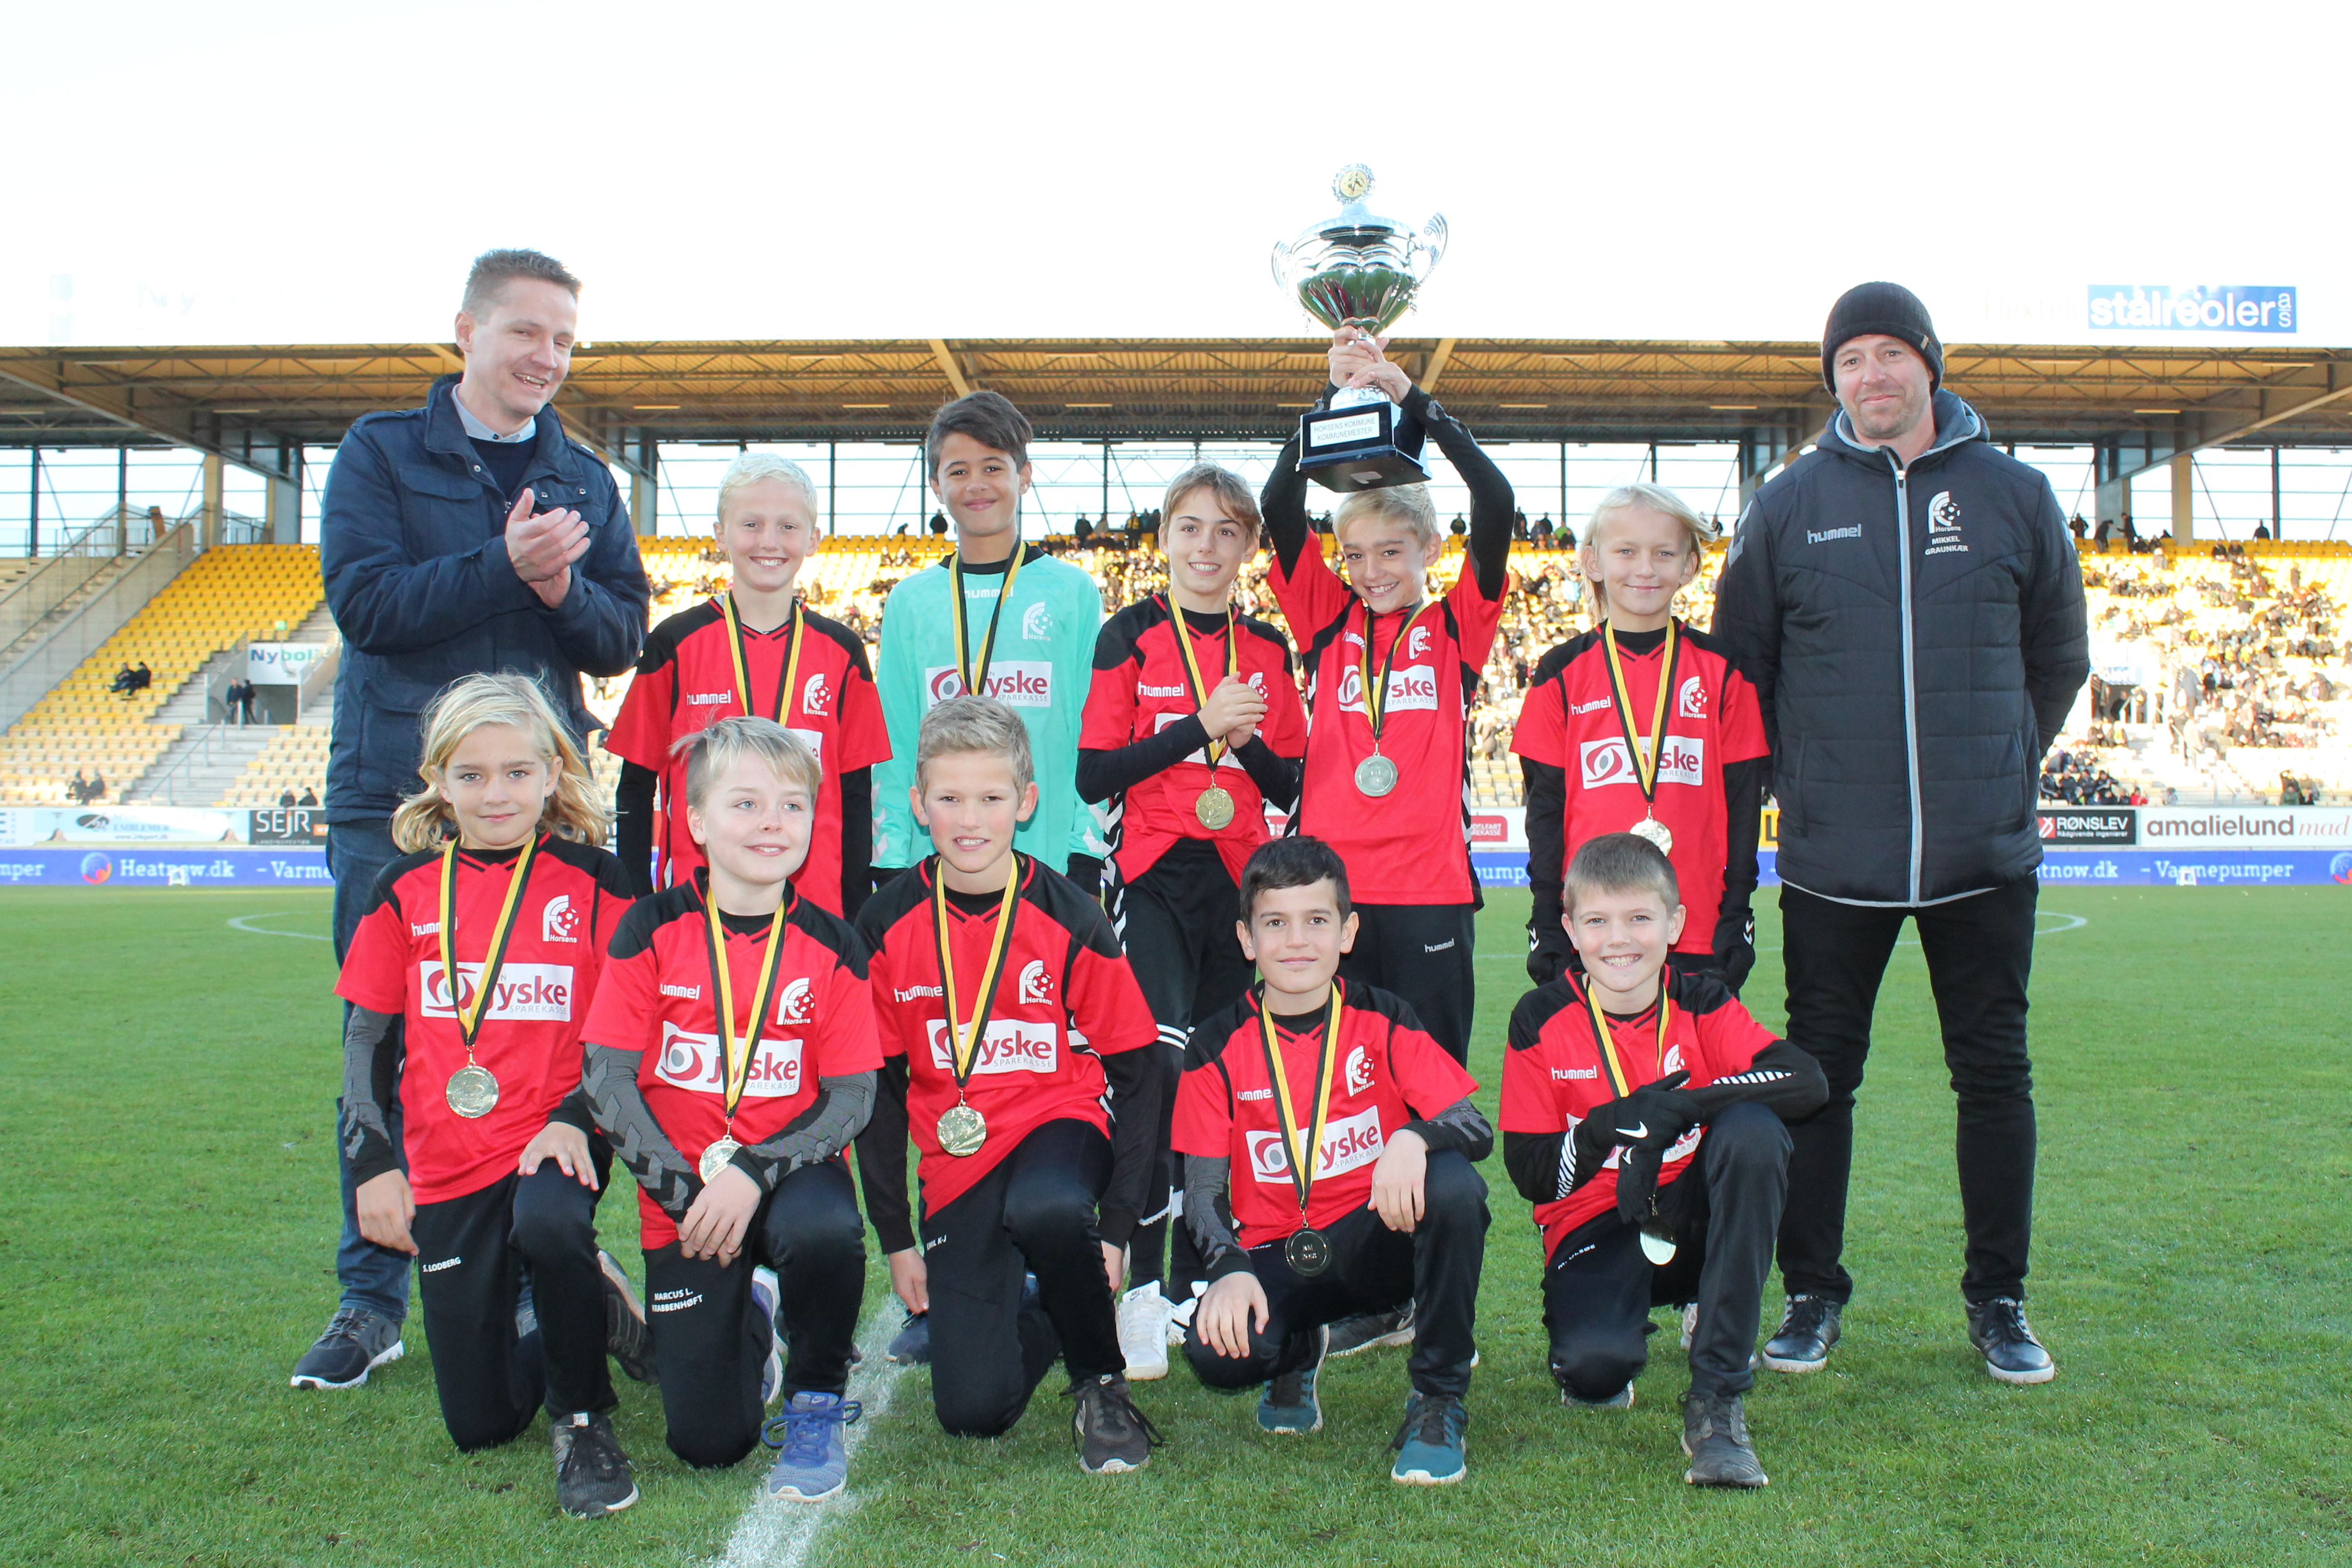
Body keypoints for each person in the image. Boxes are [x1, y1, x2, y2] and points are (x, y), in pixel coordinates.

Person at [1713, 281, 2088, 1386]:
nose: (1870, 375)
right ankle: (1811, 1293)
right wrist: (1805, 789)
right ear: (1832, 380)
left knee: (1995, 1076)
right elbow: (1745, 672)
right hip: (1838, 858)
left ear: (1929, 362)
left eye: (1888, 353)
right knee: (1818, 1080)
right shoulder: (1788, 504)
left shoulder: (2016, 494)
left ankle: (1999, 1299)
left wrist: (2002, 761)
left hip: (1982, 855)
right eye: (1850, 360)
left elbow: (2057, 655)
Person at [302, 247, 650, 1393]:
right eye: (527, 332)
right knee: (393, 1037)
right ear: (467, 329)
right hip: (400, 797)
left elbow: (620, 637)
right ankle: (369, 1300)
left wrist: (558, 588)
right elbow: (365, 604)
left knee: (547, 1030)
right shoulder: (380, 451)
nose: (548, 357)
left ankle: (540, 1257)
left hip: (543, 800)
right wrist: (504, 564)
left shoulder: (585, 478)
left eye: (565, 340)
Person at [331, 673, 649, 1517]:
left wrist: (575, 1118)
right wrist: (373, 1166)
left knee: (549, 1222)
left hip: (558, 1133)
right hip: (448, 1157)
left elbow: (627, 1029)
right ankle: (592, 1300)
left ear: (553, 775)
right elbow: (367, 1044)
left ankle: (584, 1422)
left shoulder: (598, 880)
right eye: (471, 775)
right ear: (438, 780)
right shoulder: (403, 890)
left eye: (517, 772)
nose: (496, 793)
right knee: (482, 1424)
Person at [853, 696, 1165, 1472]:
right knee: (973, 1411)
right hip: (956, 1163)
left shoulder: (1070, 914)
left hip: (1056, 1127)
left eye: (991, 798)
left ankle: (1101, 1384)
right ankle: (1058, 1302)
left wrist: (1117, 1231)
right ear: (918, 803)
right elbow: (880, 1092)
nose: (970, 819)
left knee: (1049, 1205)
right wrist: (897, 1238)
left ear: (1025, 802)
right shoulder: (884, 924)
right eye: (950, 798)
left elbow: (1140, 1071)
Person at [581, 717, 878, 1501]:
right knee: (709, 1444)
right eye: (745, 804)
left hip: (789, 1177)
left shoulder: (835, 944)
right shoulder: (651, 927)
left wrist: (752, 1171)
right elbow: (607, 1081)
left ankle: (816, 1402)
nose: (772, 822)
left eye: (792, 805)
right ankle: (751, 1310)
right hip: (683, 1199)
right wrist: (688, 1199)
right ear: (696, 820)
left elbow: (854, 1096)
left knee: (825, 1228)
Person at [1501, 833, 1826, 1488]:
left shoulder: (1702, 1000)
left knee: (1753, 1130)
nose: (1619, 940)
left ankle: (1717, 1396)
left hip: (1691, 1213)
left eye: (1639, 918)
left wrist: (1686, 1107)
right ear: (1571, 929)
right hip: (1595, 1222)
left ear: (1674, 924)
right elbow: (1532, 1174)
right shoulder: (1540, 1017)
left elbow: (1806, 1082)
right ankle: (1615, 1325)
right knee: (1594, 1372)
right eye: (1598, 921)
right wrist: (1601, 1130)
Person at [1076, 462, 1308, 1374]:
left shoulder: (1269, 649)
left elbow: (1293, 786)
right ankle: (1137, 1288)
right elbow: (1094, 773)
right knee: (1159, 1067)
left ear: (1248, 546)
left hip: (1239, 884)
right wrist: (1199, 727)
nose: (1206, 547)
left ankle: (1188, 1284)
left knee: (1216, 1083)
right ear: (1165, 537)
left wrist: (1243, 742)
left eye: (1226, 531)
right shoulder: (1129, 634)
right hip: (1153, 875)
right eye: (1190, 527)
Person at [1174, 836, 1491, 1485]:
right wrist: (1228, 1268)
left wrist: (1413, 1138)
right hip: (1279, 1254)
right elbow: (1202, 1190)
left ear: (1347, 932)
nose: (1297, 941)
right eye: (1275, 923)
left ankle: (1437, 1399)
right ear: (1246, 939)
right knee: (1215, 1353)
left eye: (1316, 920)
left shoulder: (1384, 1016)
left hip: (1375, 1240)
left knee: (1455, 1187)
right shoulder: (1214, 1045)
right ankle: (1295, 1348)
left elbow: (1472, 1124)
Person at [1259, 326, 1512, 1069]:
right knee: (1334, 1077)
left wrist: (1413, 400)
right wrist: (1330, 399)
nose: (1371, 572)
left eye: (1391, 552)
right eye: (1355, 556)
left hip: (1430, 889)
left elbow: (1495, 500)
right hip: (1328, 892)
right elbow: (1278, 503)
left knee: (1433, 1075)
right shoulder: (1327, 620)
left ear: (1431, 549)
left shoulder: (1457, 626)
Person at [1512, 483, 1769, 993]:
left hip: (1696, 924)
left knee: (1696, 1049)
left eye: (1664, 553)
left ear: (1690, 566)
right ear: (1593, 562)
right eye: (1626, 552)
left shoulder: (1725, 670)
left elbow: (1744, 802)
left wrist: (1738, 907)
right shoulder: (1559, 673)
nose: (1645, 568)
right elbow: (1545, 810)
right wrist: (1547, 915)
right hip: (1592, 930)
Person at [609, 452, 889, 916]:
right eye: (751, 524)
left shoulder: (842, 651)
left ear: (813, 538)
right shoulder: (675, 643)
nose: (769, 541)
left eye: (787, 526)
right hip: (696, 912)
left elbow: (857, 795)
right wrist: (638, 900)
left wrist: (856, 911)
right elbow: (635, 787)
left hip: (815, 913)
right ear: (721, 533)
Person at [870, 393, 1106, 897]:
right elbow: (893, 739)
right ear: (936, 486)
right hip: (934, 865)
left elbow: (1093, 732)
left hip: (1048, 863)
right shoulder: (910, 601)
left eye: (993, 467)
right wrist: (890, 858)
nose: (976, 484)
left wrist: (1086, 850)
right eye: (958, 471)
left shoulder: (1072, 592)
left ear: (1024, 475)